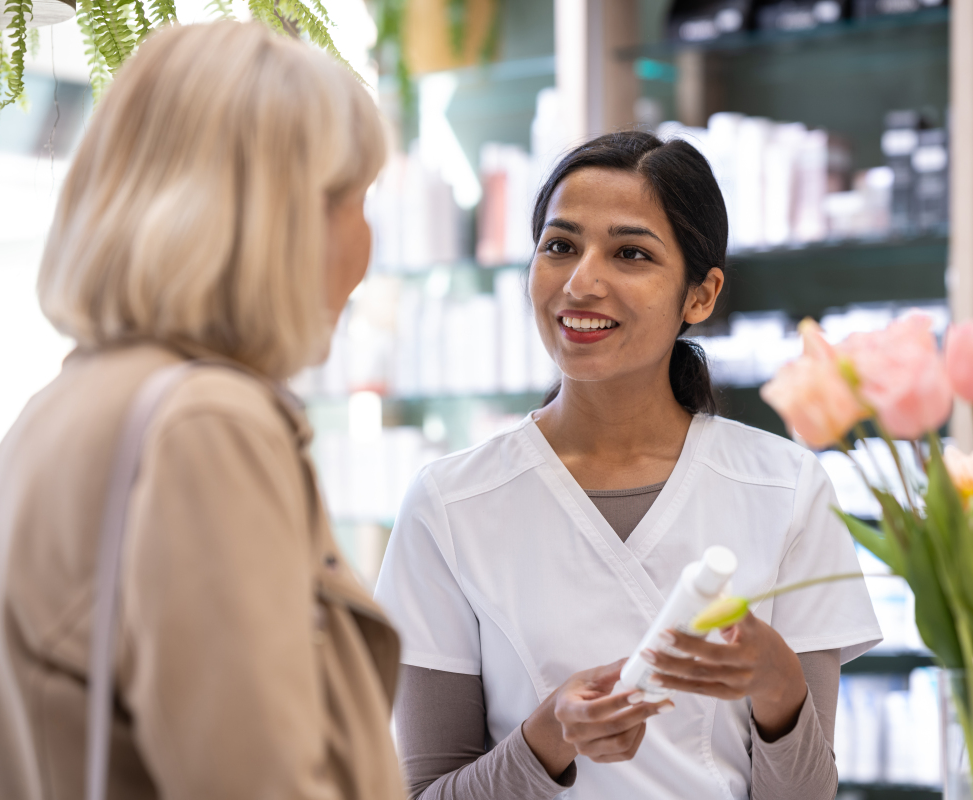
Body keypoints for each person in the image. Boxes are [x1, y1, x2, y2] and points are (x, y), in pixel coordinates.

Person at [0, 22, 405, 800]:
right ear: (277, 218)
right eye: (353, 201)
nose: (366, 243)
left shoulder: (61, 408)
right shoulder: (208, 427)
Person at [374, 130, 883, 799]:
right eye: (560, 246)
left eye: (630, 253)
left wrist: (779, 684)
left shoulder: (786, 490)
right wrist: (548, 736)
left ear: (700, 297)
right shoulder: (450, 503)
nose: (582, 282)